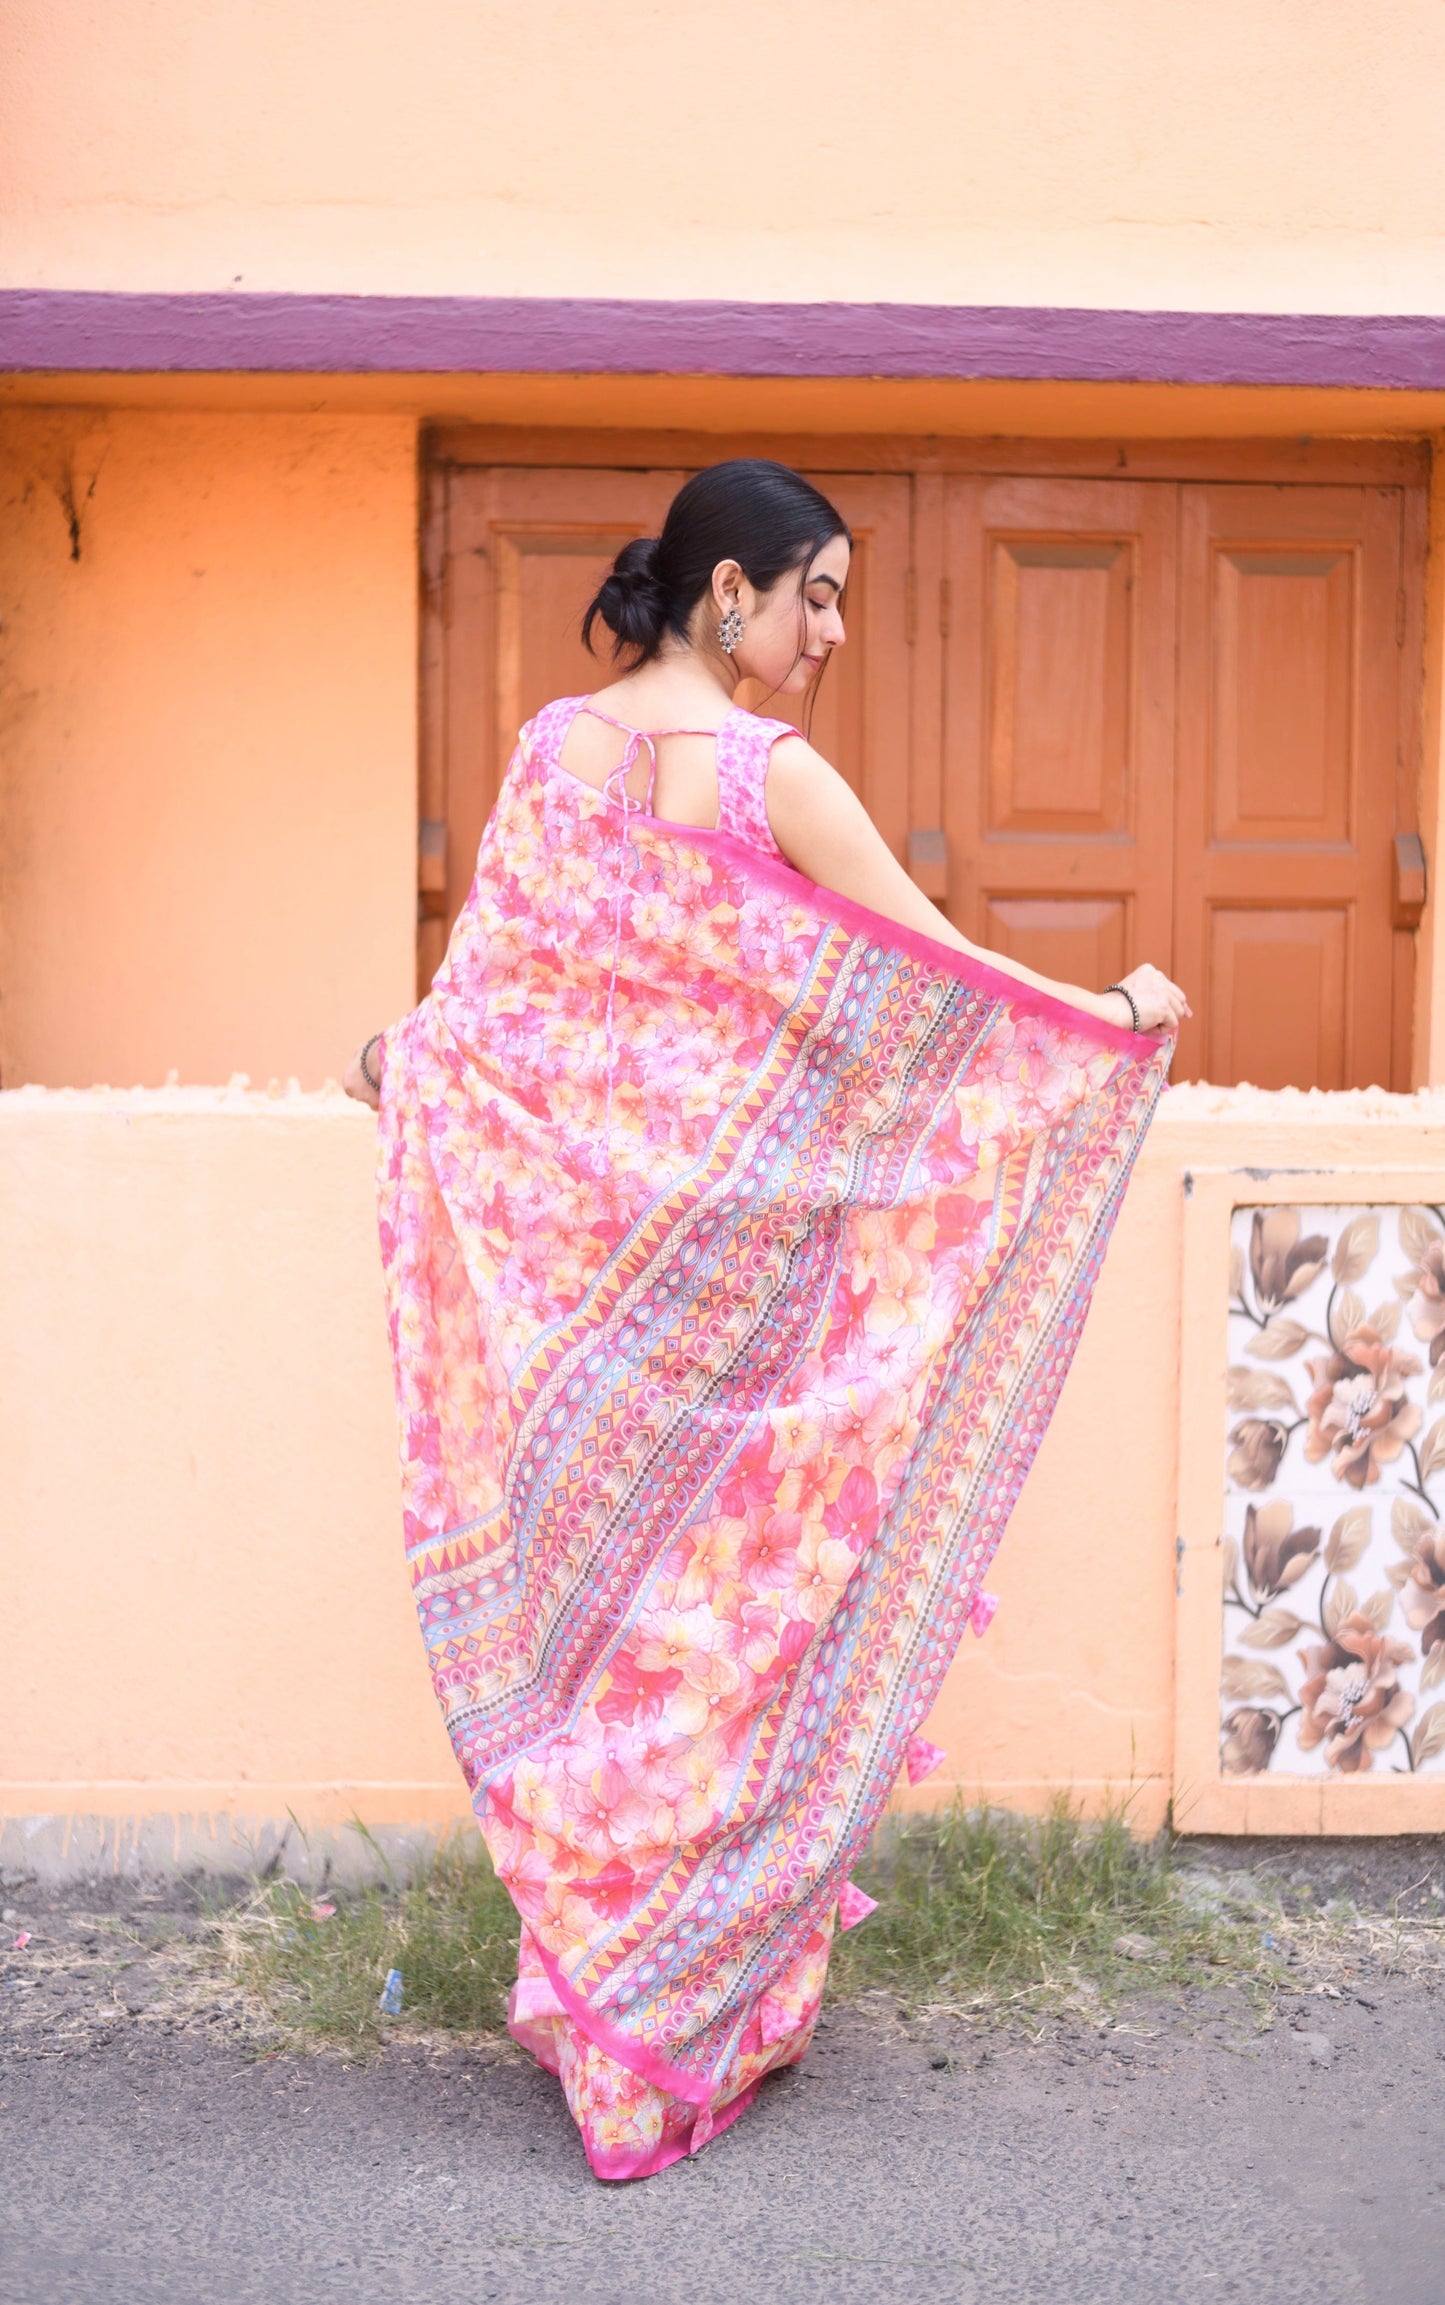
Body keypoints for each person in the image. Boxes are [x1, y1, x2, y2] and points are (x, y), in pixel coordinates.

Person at [346, 459, 1186, 2181]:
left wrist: (398, 1064)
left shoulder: (550, 755)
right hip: (728, 1326)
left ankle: (616, 2019)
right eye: (819, 594)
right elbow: (942, 976)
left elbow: (491, 1016)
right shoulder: (764, 772)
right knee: (716, 1660)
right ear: (728, 590)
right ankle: (690, 2023)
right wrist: (1107, 1008)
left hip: (584, 1329)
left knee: (616, 1669)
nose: (834, 631)